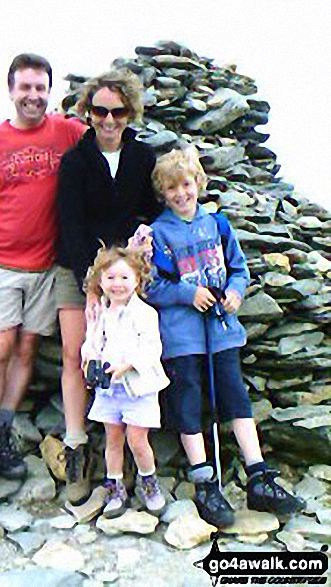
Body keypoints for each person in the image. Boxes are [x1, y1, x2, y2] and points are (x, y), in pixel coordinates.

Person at [147, 147, 305, 527]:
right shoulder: (156, 233)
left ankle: (259, 476)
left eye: (187, 184)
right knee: (187, 398)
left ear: (199, 183)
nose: (181, 193)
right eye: (172, 188)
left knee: (235, 396)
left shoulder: (217, 225)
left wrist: (235, 292)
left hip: (221, 330)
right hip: (181, 336)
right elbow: (151, 286)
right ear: (163, 193)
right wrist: (188, 293)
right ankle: (204, 480)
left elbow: (238, 269)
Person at [0, 53, 85, 493]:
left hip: (48, 267)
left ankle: (3, 434)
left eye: (40, 87)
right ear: (11, 90)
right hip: (2, 266)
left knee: (27, 349)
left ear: (49, 91)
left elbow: (109, 143)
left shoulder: (67, 131)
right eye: (25, 87)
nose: (33, 95)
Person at [55, 69, 161, 505]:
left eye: (117, 111)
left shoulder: (143, 158)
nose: (108, 119)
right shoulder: (75, 162)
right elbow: (71, 224)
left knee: (136, 347)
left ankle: (144, 456)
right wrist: (91, 283)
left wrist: (129, 269)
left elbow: (150, 212)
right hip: (81, 267)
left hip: (129, 274)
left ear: (129, 112)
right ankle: (79, 446)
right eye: (99, 110)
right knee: (75, 351)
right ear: (87, 112)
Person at [81, 246, 169, 518]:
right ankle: (115, 486)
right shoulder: (100, 314)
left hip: (138, 388)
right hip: (109, 389)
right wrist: (90, 363)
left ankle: (148, 481)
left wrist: (127, 365)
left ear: (137, 281)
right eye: (109, 278)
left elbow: (152, 348)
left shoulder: (145, 314)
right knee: (113, 439)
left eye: (124, 278)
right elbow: (91, 344)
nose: (116, 284)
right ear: (99, 281)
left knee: (137, 438)